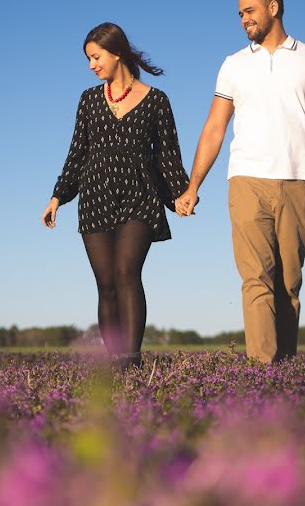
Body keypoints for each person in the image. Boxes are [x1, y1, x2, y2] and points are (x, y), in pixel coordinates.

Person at [175, 0, 305, 363]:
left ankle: (284, 372)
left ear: (273, 8)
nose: (243, 19)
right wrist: (193, 186)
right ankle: (262, 373)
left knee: (288, 283)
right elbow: (214, 128)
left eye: (249, 11)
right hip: (246, 180)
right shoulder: (233, 64)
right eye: (239, 14)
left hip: (296, 180)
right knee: (255, 279)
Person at [42, 22, 193, 368]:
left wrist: (182, 195)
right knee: (106, 284)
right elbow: (77, 153)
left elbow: (168, 156)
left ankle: (131, 360)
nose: (92, 65)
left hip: (141, 196)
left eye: (96, 57)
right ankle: (113, 362)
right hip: (95, 197)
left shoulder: (156, 101)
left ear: (117, 53)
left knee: (127, 273)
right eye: (89, 60)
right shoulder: (89, 100)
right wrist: (58, 197)